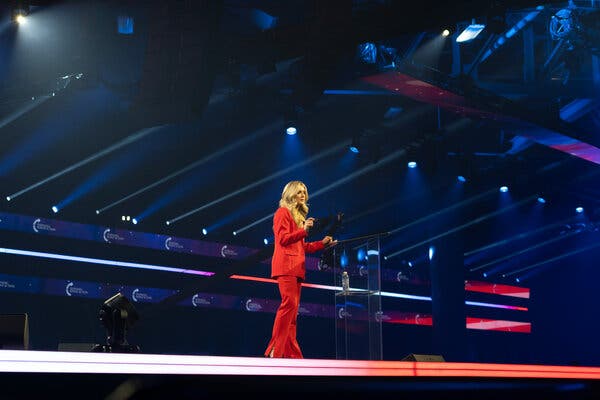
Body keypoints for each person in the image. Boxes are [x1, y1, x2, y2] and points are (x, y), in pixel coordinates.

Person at [264, 180, 336, 358]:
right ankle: (275, 349)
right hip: (286, 266)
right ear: (291, 194)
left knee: (293, 313)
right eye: (299, 192)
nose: (303, 194)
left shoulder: (298, 218)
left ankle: (292, 355)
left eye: (304, 191)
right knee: (288, 306)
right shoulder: (282, 213)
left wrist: (322, 243)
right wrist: (304, 230)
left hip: (297, 267)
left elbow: (302, 247)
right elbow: (282, 239)